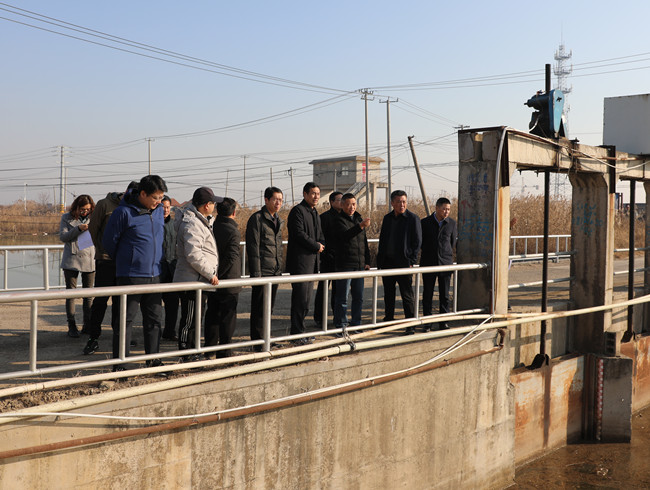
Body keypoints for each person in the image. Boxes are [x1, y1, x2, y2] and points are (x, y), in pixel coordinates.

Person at [103, 175, 168, 369]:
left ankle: (153, 360)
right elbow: (109, 242)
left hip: (155, 275)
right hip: (130, 275)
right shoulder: (123, 212)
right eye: (155, 198)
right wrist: (127, 259)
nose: (159, 202)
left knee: (154, 320)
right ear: (143, 194)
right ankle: (120, 365)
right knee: (125, 320)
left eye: (161, 198)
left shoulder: (158, 212)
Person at [84, 181, 138, 355]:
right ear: (127, 191)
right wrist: (102, 250)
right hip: (106, 261)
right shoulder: (104, 204)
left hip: (124, 263)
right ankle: (93, 337)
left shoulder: (134, 207)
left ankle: (120, 335)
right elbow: (93, 230)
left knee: (120, 302)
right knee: (100, 301)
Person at [174, 187, 220, 361]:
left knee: (195, 318)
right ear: (207, 205)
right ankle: (186, 353)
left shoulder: (201, 221)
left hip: (198, 278)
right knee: (190, 320)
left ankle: (193, 351)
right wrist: (210, 273)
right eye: (213, 203)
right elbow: (193, 254)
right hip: (192, 279)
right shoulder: (193, 223)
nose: (214, 207)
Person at [376, 190, 422, 335]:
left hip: (404, 263)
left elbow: (417, 242)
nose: (402, 204)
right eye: (398, 202)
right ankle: (389, 320)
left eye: (404, 202)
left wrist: (411, 261)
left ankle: (410, 324)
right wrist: (380, 261)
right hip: (388, 263)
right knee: (388, 294)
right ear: (392, 203)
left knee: (407, 295)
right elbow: (383, 240)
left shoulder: (412, 218)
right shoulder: (387, 218)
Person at [245, 186, 284, 351]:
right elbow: (253, 247)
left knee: (269, 308)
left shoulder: (278, 219)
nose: (278, 203)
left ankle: (266, 337)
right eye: (275, 199)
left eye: (280, 200)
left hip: (274, 270)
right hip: (262, 271)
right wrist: (256, 273)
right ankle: (258, 341)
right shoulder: (257, 219)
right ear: (266, 200)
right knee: (259, 307)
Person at [286, 182, 324, 344]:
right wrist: (316, 246)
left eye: (318, 193)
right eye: (313, 193)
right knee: (300, 299)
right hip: (301, 262)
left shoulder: (314, 212)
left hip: (312, 262)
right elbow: (299, 234)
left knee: (306, 300)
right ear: (305, 194)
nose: (316, 196)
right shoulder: (298, 211)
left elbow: (320, 234)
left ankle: (300, 331)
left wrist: (321, 244)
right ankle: (296, 333)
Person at [206, 198, 241, 357]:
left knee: (212, 314)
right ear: (233, 212)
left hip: (212, 278)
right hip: (228, 280)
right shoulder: (233, 231)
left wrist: (213, 274)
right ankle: (225, 352)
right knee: (228, 318)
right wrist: (219, 274)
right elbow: (231, 256)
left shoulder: (211, 227)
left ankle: (209, 349)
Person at [59, 194, 96, 338]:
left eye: (87, 209)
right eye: (82, 210)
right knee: (71, 295)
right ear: (76, 208)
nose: (85, 212)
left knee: (88, 295)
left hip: (89, 259)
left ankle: (88, 325)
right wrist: (78, 229)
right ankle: (72, 325)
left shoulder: (94, 217)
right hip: (72, 260)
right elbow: (63, 237)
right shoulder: (66, 218)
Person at [333, 194, 370, 333]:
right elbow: (345, 236)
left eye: (354, 204)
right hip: (345, 264)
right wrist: (360, 226)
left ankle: (356, 324)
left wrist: (367, 261)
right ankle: (341, 325)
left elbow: (364, 242)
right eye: (348, 204)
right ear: (342, 205)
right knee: (342, 297)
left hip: (359, 265)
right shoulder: (338, 220)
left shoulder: (359, 219)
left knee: (358, 297)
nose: (351, 207)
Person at [420, 197, 458, 331]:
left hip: (445, 263)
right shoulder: (425, 223)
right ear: (436, 208)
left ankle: (443, 321)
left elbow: (452, 242)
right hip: (429, 262)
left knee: (445, 294)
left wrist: (445, 255)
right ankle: (427, 322)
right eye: (444, 209)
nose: (446, 212)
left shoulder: (451, 223)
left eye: (448, 209)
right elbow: (421, 242)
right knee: (427, 294)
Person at [313, 191, 342, 328]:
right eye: (339, 200)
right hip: (327, 259)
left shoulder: (345, 217)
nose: (342, 202)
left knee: (338, 290)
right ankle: (319, 317)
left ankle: (337, 316)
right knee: (323, 289)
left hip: (341, 260)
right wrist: (325, 254)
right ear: (331, 202)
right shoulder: (324, 218)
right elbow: (319, 237)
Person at [160, 196, 180, 341]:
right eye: (163, 207)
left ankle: (169, 331)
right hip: (158, 269)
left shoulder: (174, 224)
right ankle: (154, 333)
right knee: (154, 305)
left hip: (172, 269)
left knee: (172, 304)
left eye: (168, 207)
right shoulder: (153, 224)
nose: (165, 210)